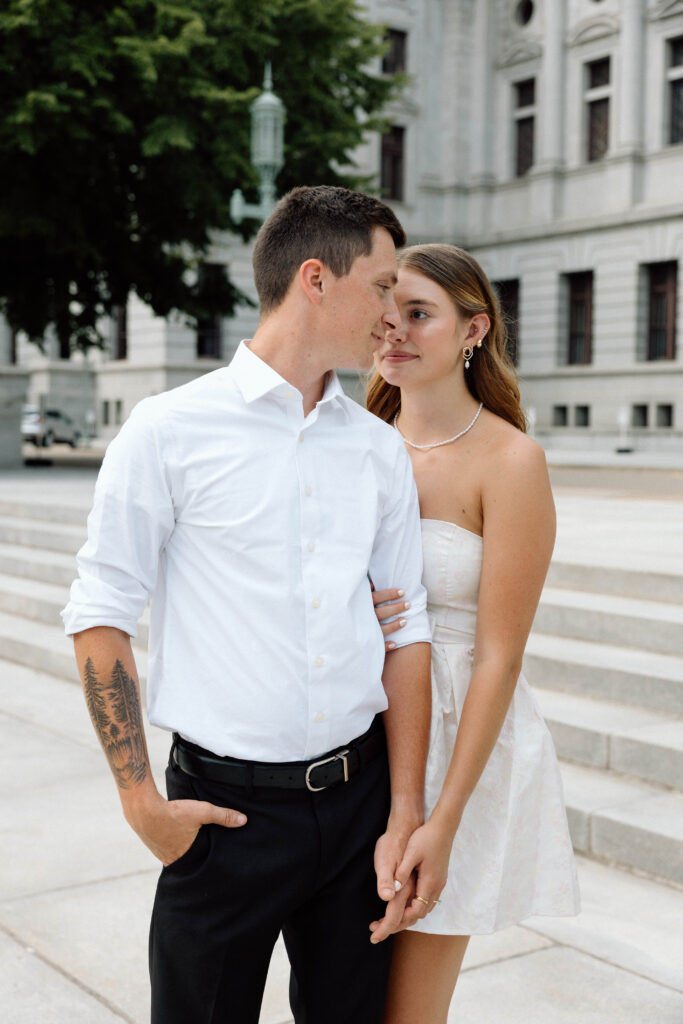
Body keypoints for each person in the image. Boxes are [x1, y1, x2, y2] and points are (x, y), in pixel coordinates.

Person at [60, 186, 435, 1024]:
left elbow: (405, 628)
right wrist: (139, 802)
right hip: (224, 817)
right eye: (380, 288)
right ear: (315, 279)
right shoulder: (167, 430)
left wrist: (403, 811)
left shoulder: (377, 448)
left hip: (357, 808)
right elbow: (99, 611)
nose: (392, 316)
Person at [366, 243, 580, 1023]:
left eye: (417, 314)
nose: (392, 331)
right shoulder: (353, 440)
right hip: (350, 730)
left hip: (456, 744)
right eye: (384, 314)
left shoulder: (511, 460)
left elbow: (499, 655)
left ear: (473, 330)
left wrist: (441, 818)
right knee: (335, 991)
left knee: (406, 1008)